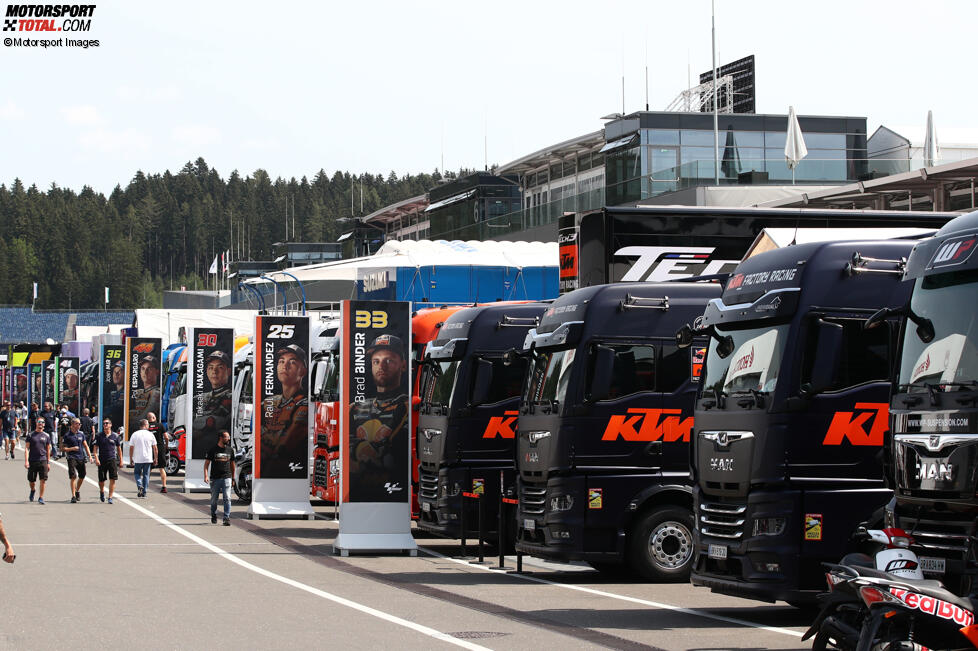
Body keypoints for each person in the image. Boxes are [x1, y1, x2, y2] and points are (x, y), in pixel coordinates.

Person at [348, 334, 410, 502]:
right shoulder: (355, 408)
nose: (381, 366)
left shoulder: (408, 407)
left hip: (393, 493)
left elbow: (396, 454)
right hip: (358, 493)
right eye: (376, 361)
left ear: (403, 365)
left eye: (389, 360)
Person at [259, 344, 308, 477]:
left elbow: (285, 445)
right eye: (281, 361)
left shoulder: (304, 404)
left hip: (287, 470)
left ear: (303, 371)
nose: (284, 366)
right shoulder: (268, 402)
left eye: (292, 362)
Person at [191, 350, 232, 458]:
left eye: (220, 367)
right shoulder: (200, 397)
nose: (214, 371)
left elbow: (216, 421)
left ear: (229, 371)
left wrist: (198, 427)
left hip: (215, 446)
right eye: (210, 367)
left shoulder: (230, 395)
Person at [203, 430, 235, 526]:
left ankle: (226, 518)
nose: (228, 439)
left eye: (228, 437)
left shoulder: (230, 450)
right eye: (226, 437)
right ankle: (214, 514)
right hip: (215, 479)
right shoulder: (213, 450)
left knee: (227, 498)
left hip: (227, 477)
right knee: (214, 500)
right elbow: (206, 464)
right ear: (221, 438)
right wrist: (206, 475)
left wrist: (233, 478)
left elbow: (233, 465)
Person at [61, 418, 93, 503]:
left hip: (81, 457)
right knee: (73, 476)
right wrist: (72, 448)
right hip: (71, 457)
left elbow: (86, 446)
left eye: (80, 424)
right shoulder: (67, 435)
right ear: (73, 425)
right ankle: (73, 496)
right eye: (78, 424)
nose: (79, 425)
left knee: (82, 475)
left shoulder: (81, 434)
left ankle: (77, 490)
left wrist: (90, 456)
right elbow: (62, 448)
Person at [93, 418, 123, 504]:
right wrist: (96, 459)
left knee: (112, 479)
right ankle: (102, 491)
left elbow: (119, 449)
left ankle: (110, 497)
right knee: (101, 480)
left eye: (107, 423)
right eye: (104, 424)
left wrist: (121, 460)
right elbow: (95, 449)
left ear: (110, 425)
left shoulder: (115, 436)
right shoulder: (99, 436)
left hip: (112, 459)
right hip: (102, 460)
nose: (105, 425)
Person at [128, 419, 157, 498]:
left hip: (138, 458)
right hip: (148, 458)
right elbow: (155, 448)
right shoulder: (150, 434)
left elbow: (131, 447)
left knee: (137, 473)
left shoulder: (135, 434)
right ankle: (144, 492)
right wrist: (156, 458)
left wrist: (131, 458)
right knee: (146, 475)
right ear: (146, 425)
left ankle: (139, 484)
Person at [25, 419, 51, 505]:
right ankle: (33, 490)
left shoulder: (46, 436)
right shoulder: (31, 435)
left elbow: (48, 449)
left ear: (44, 425)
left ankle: (41, 497)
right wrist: (26, 461)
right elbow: (26, 448)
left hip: (43, 460)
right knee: (31, 480)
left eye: (42, 422)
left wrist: (48, 462)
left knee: (43, 479)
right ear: (36, 423)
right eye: (39, 422)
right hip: (32, 460)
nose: (41, 424)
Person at [130, 356, 161, 424]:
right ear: (140, 372)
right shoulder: (139, 392)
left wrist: (130, 420)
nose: (145, 372)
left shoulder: (156, 392)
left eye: (149, 369)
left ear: (157, 371)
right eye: (143, 369)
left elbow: (145, 415)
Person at [146, 412, 169, 493]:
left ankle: (145, 486)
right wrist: (166, 445)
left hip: (150, 449)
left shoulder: (146, 427)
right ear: (154, 417)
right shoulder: (160, 425)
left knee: (148, 468)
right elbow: (166, 437)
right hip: (160, 447)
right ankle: (164, 487)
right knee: (161, 468)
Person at [109, 360, 125, 430]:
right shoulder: (112, 393)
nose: (116, 375)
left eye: (119, 372)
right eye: (114, 372)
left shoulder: (127, 392)